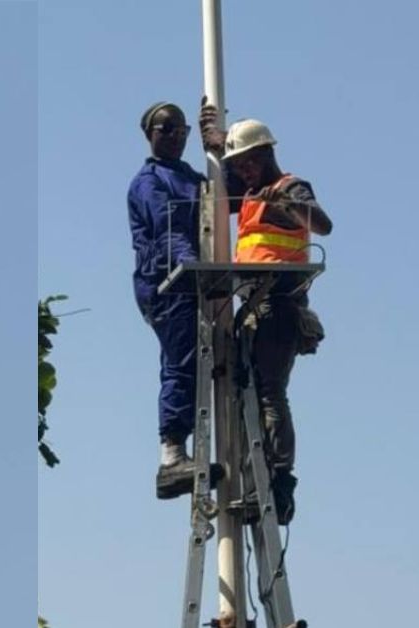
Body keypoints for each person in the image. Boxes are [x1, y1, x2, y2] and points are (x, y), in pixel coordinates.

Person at [200, 101, 332, 525]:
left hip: (279, 305)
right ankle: (257, 472)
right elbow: (223, 197)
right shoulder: (254, 194)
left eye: (245, 165)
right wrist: (217, 147)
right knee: (249, 389)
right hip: (255, 306)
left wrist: (294, 207)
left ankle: (279, 478)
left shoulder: (289, 189)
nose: (242, 174)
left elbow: (323, 224)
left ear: (261, 157)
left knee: (270, 392)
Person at [127, 102, 211, 500]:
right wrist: (192, 267)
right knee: (180, 362)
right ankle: (171, 457)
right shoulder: (150, 182)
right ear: (150, 134)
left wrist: (219, 146)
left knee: (202, 363)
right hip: (168, 285)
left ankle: (193, 448)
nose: (175, 135)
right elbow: (170, 230)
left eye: (181, 130)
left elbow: (222, 194)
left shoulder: (190, 177)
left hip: (191, 283)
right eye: (166, 129)